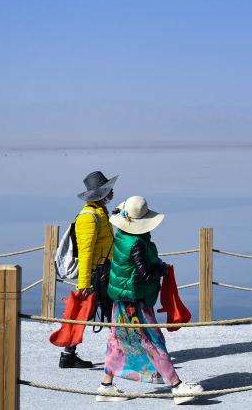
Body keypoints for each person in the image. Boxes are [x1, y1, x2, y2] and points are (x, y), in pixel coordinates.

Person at [96, 195, 204, 404]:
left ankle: (106, 386)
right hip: (135, 303)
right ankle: (176, 386)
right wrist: (161, 269)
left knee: (117, 341)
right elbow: (145, 274)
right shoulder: (136, 243)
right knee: (153, 341)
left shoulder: (121, 236)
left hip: (120, 300)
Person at [60, 171, 118, 369]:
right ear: (101, 193)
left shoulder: (100, 213)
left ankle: (118, 351)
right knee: (87, 313)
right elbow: (85, 253)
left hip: (103, 271)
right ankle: (68, 355)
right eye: (109, 189)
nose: (112, 192)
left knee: (110, 312)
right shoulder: (89, 217)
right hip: (95, 274)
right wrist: (84, 284)